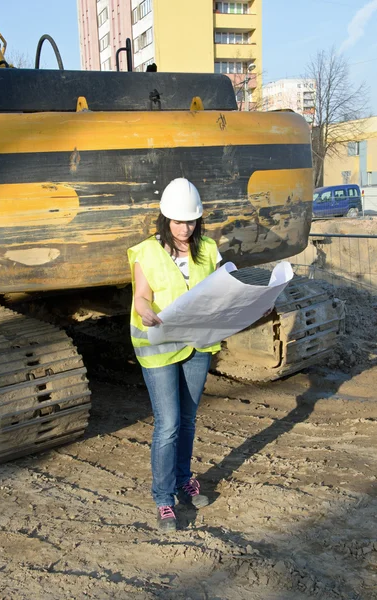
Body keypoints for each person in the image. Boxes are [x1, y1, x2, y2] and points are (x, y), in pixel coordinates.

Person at [127, 178, 222, 532]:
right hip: (160, 346)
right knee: (167, 425)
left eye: (192, 221)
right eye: (179, 221)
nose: (185, 228)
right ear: (165, 218)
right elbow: (141, 296)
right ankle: (164, 498)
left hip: (198, 344)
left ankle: (184, 479)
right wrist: (145, 309)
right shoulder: (148, 252)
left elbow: (220, 290)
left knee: (188, 419)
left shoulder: (209, 248)